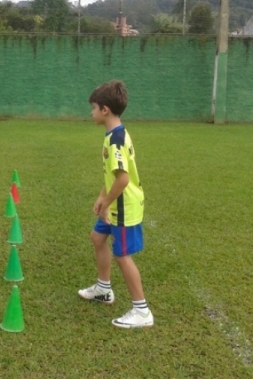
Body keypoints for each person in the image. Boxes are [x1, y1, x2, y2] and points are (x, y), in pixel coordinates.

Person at [78, 80, 153, 328]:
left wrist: (108, 203)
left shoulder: (116, 140)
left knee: (122, 255)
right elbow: (112, 175)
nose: (91, 113)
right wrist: (102, 196)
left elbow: (123, 179)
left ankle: (141, 311)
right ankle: (103, 289)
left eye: (93, 108)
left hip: (123, 208)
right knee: (97, 238)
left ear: (105, 110)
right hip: (114, 203)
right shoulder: (114, 134)